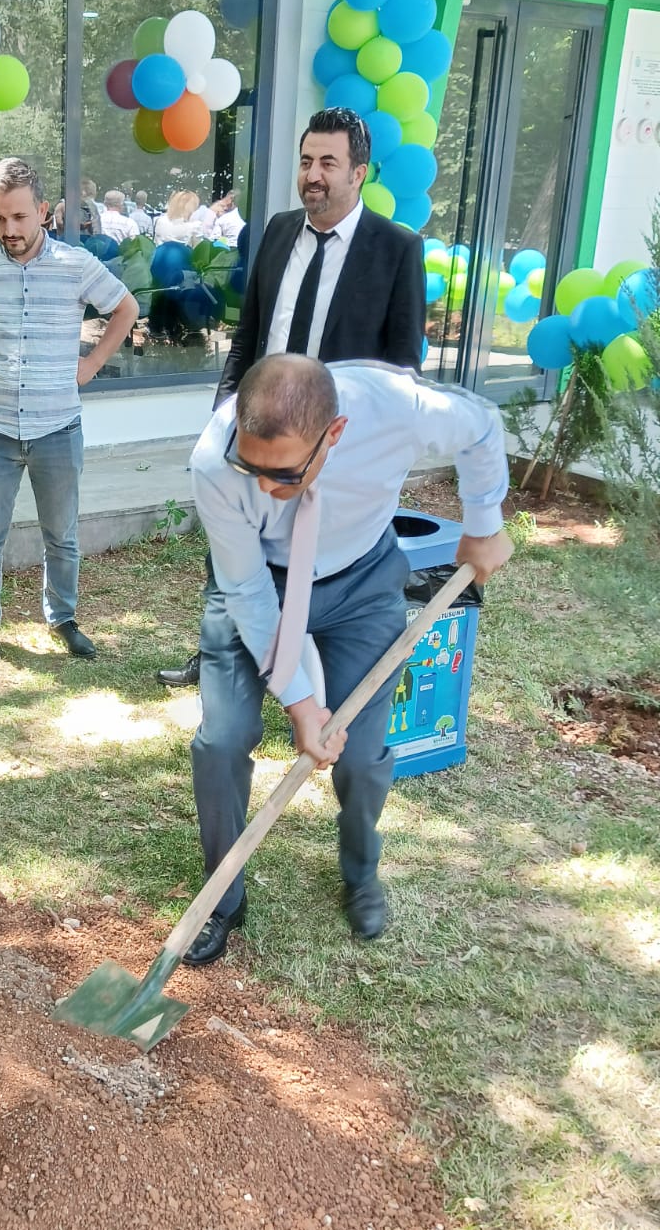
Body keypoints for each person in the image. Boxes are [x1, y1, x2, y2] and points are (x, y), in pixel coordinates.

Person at [182, 354, 512, 966]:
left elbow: (484, 426)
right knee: (222, 741)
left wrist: (483, 524)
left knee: (360, 755)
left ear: (333, 434)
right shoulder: (213, 462)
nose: (260, 485)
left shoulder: (398, 408)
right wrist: (302, 702)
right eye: (247, 464)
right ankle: (220, 899)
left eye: (280, 473)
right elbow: (248, 593)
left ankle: (360, 872)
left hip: (361, 583)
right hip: (261, 583)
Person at [159, 107, 427, 690]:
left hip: (327, 449)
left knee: (314, 563)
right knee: (234, 549)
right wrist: (223, 418)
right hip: (255, 433)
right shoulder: (278, 230)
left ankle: (309, 677)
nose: (314, 174)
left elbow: (402, 372)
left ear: (359, 173)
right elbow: (249, 336)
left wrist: (355, 453)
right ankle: (219, 659)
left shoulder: (397, 250)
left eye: (329, 163)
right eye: (307, 161)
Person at [0, 158, 138, 666]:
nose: (10, 230)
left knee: (62, 534)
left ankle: (63, 618)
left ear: (41, 211)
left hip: (58, 425)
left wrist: (92, 363)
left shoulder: (75, 266)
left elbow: (125, 308)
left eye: (18, 217)